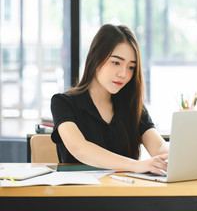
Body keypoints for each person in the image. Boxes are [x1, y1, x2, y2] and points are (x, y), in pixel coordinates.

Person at [51, 24, 168, 175]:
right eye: (116, 62)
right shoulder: (63, 102)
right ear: (96, 57)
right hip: (79, 193)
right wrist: (136, 165)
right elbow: (79, 148)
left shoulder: (133, 106)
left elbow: (159, 147)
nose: (123, 74)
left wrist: (176, 157)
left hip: (123, 193)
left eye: (131, 67)